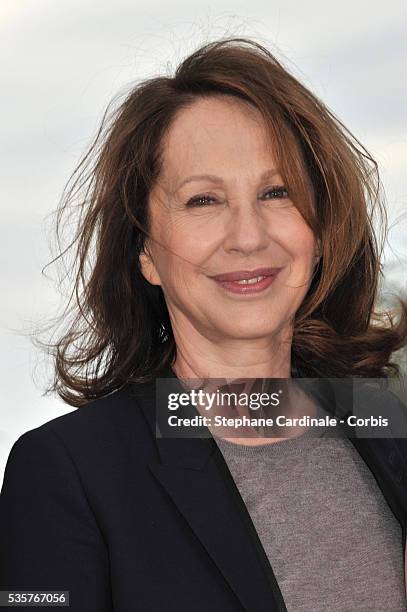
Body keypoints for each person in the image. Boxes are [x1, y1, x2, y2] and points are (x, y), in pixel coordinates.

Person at [1, 37, 407, 611]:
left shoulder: (388, 431)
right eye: (204, 201)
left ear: (318, 234)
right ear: (145, 251)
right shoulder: (68, 473)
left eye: (277, 192)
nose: (249, 236)